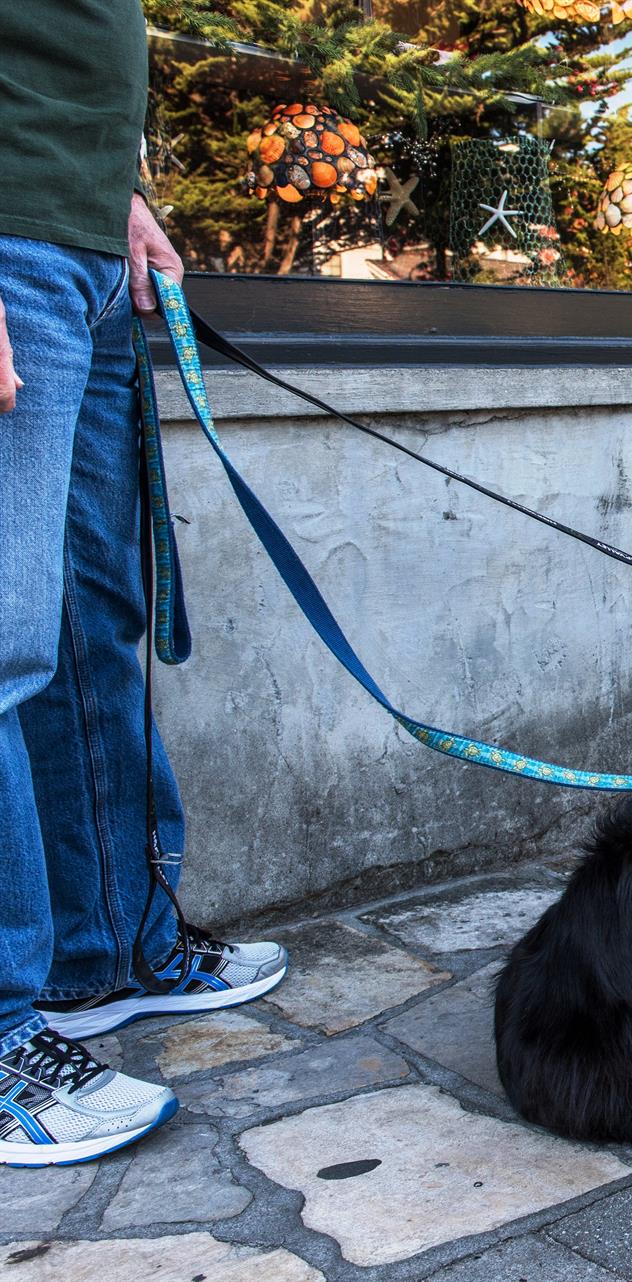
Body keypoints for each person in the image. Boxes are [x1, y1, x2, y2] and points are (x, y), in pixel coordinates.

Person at [1, 1, 288, 1166]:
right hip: (14, 252)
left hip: (69, 242)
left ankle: (105, 956)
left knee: (82, 627)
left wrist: (97, 195)